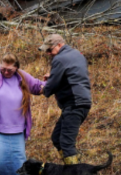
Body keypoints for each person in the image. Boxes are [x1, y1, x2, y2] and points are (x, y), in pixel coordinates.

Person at [38, 33, 92, 165]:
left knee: (66, 142)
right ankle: (74, 170)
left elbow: (52, 85)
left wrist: (41, 88)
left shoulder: (60, 59)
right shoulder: (77, 55)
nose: (49, 53)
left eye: (50, 50)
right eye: (47, 51)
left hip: (74, 102)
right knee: (56, 137)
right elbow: (71, 75)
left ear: (60, 45)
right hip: (81, 101)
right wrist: (53, 76)